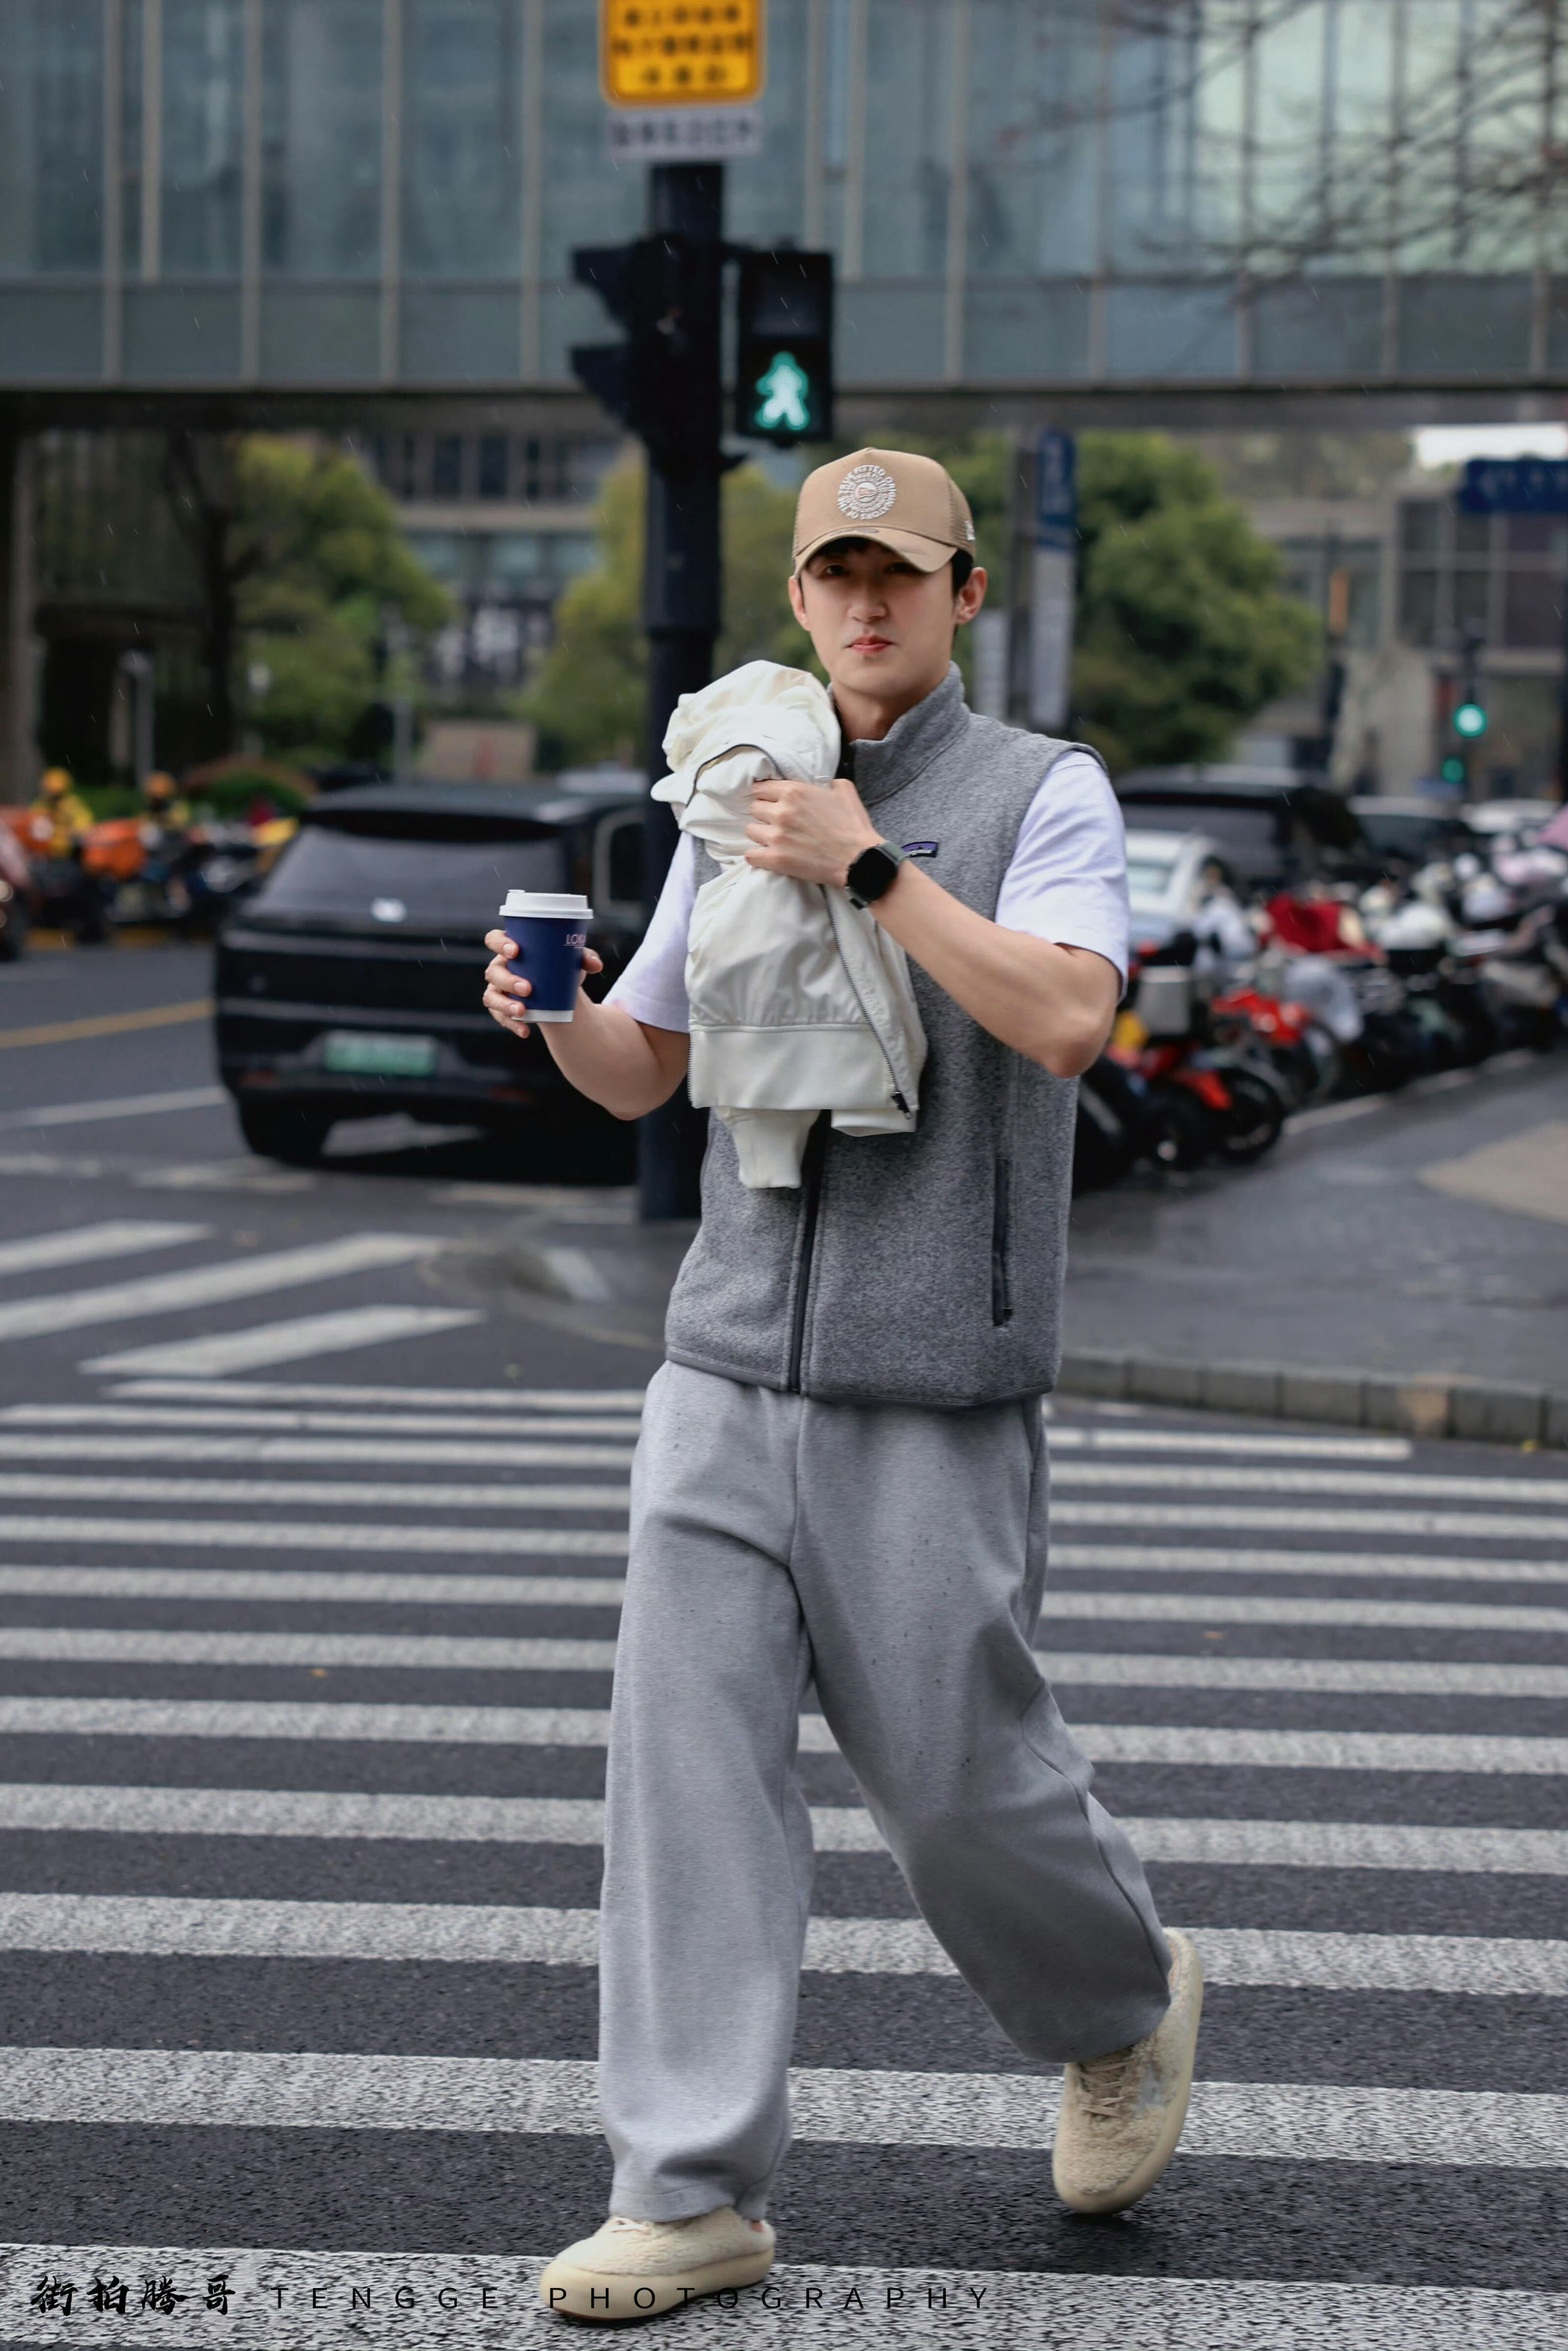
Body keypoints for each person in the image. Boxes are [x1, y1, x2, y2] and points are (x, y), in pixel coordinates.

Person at [482, 448, 1203, 2326]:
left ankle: (1121, 2007)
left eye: (901, 573)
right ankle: (687, 2189)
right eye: (835, 575)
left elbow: (1067, 1016)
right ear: (800, 598)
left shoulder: (1041, 791)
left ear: (965, 594)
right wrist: (556, 1014)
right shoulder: (740, 786)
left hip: (931, 1382)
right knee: (687, 1780)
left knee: (961, 1788)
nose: (866, 604)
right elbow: (645, 1068)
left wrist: (868, 865)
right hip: (722, 1361)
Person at [29, 767, 94, 860]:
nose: (54, 797)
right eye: (52, 793)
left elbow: (83, 823)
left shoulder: (72, 805)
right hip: (45, 853)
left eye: (58, 794)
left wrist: (74, 832)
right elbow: (32, 822)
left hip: (68, 854)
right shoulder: (41, 805)